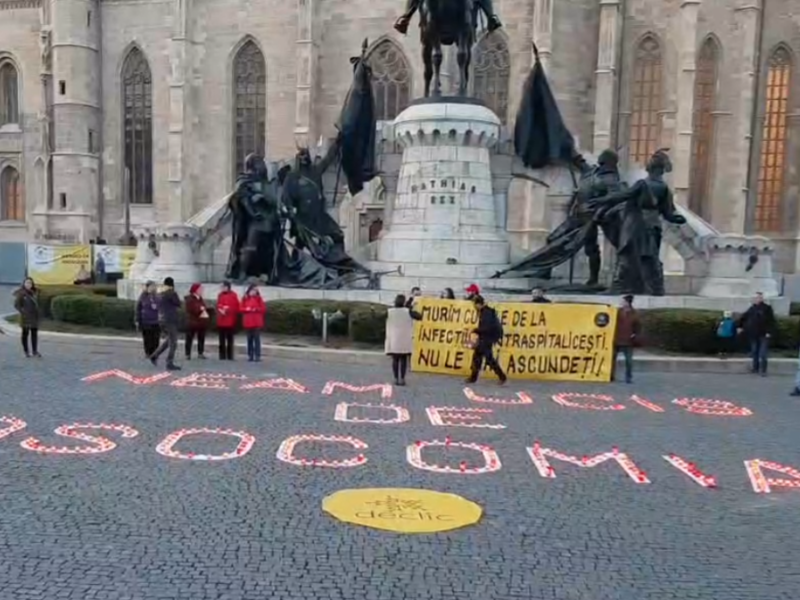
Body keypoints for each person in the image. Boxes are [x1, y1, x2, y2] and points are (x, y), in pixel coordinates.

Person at [467, 295, 507, 384]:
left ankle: (502, 376)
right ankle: (473, 377)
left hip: (487, 338)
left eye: (474, 304)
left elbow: (486, 328)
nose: (474, 307)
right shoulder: (486, 311)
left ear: (478, 304)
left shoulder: (486, 313)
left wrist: (475, 330)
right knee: (478, 357)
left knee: (487, 359)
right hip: (486, 338)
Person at [385, 294, 422, 386]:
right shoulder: (408, 311)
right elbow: (419, 316)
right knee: (403, 360)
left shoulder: (390, 311)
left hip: (393, 338)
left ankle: (396, 378)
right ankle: (402, 378)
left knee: (395, 360)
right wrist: (411, 307)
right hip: (405, 339)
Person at [737, 292, 776, 376]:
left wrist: (769, 332)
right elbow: (744, 317)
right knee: (754, 352)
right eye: (756, 298)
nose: (758, 299)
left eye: (759, 297)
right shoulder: (752, 308)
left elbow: (771, 321)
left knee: (763, 353)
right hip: (753, 334)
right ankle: (755, 368)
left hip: (764, 334)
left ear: (762, 298)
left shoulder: (767, 308)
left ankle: (763, 370)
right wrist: (740, 327)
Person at [150, 277, 182, 370]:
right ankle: (169, 362)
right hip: (170, 320)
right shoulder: (171, 293)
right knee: (173, 342)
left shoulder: (160, 293)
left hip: (161, 319)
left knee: (168, 341)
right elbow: (178, 303)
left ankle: (154, 356)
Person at [613, 294, 640, 384]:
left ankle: (628, 377)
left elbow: (637, 327)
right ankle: (611, 375)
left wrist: (634, 335)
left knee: (629, 361)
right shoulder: (617, 312)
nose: (622, 303)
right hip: (616, 339)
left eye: (623, 301)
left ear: (627, 303)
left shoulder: (634, 314)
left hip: (628, 341)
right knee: (612, 359)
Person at [14, 277, 41, 358]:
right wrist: (23, 312)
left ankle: (34, 351)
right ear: (24, 284)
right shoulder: (21, 293)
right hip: (25, 317)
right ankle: (26, 351)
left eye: (30, 283)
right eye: (27, 283)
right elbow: (17, 305)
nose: (28, 284)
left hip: (34, 317)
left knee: (34, 334)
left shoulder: (35, 293)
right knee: (25, 334)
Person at [135, 281, 161, 358]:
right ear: (147, 287)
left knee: (156, 339)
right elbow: (138, 309)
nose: (153, 288)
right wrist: (137, 320)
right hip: (146, 321)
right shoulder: (143, 297)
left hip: (156, 321)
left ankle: (155, 352)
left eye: (154, 286)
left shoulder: (157, 297)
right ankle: (148, 353)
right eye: (151, 286)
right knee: (147, 339)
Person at [241, 284, 266, 362]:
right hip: (248, 322)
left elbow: (263, 309)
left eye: (255, 290)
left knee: (257, 339)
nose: (254, 292)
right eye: (253, 290)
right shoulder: (245, 298)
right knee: (249, 340)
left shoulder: (259, 299)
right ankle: (250, 355)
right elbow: (241, 308)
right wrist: (247, 309)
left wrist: (256, 309)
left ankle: (257, 355)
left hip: (256, 322)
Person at [184, 283, 209, 360]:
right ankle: (187, 354)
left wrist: (203, 308)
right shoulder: (190, 299)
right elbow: (192, 309)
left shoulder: (200, 298)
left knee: (201, 338)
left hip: (201, 321)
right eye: (200, 289)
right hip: (192, 321)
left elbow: (204, 306)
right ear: (195, 290)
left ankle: (200, 352)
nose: (202, 291)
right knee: (189, 338)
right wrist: (200, 309)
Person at [216, 282, 240, 360]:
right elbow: (218, 305)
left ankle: (230, 355)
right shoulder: (220, 295)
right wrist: (220, 309)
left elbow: (236, 307)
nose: (222, 288)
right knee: (221, 339)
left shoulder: (233, 295)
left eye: (223, 287)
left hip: (230, 320)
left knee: (230, 339)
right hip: (221, 320)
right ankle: (222, 355)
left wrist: (228, 310)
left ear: (227, 287)